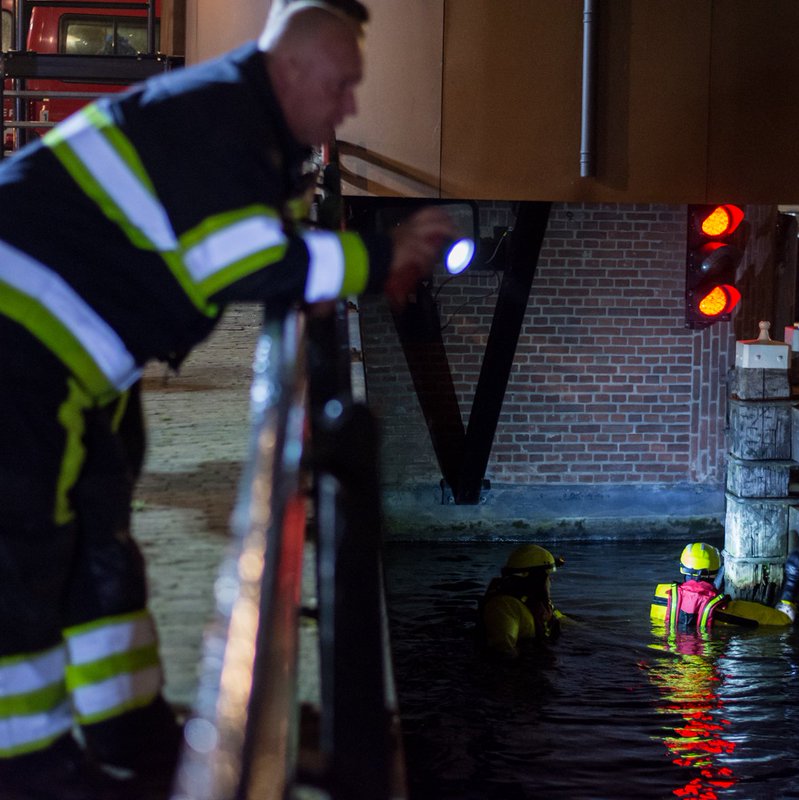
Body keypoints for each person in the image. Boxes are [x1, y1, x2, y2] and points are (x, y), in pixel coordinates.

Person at [0, 1, 454, 797]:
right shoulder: (221, 120)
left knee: (95, 540)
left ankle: (129, 730)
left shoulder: (238, 120)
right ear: (292, 70)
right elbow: (235, 257)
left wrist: (327, 267)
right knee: (22, 550)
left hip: (64, 352)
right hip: (22, 352)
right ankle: (30, 767)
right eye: (342, 86)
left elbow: (254, 245)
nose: (349, 107)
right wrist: (376, 257)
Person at [650, 543, 799, 631]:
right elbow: (784, 620)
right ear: (717, 571)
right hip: (709, 680)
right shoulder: (729, 609)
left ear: (682, 568)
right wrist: (791, 581)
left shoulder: (662, 596)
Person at [479, 544, 567, 659]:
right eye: (548, 576)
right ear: (536, 578)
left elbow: (563, 620)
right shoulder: (504, 606)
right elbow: (502, 651)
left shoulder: (538, 602)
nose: (550, 581)